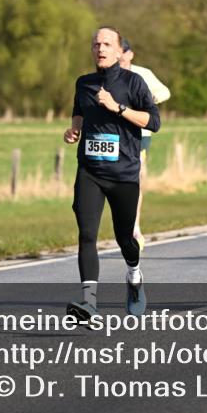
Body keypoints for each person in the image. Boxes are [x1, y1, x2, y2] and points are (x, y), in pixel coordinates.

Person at [64, 27, 160, 320]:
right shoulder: (84, 83)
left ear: (120, 51)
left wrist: (118, 108)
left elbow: (153, 122)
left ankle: (134, 274)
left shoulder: (134, 82)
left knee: (125, 238)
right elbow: (79, 110)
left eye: (107, 44)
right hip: (90, 171)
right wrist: (74, 129)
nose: (100, 49)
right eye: (96, 44)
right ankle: (89, 303)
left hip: (124, 173)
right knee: (87, 234)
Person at [119, 38, 171, 252]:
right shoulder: (107, 74)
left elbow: (165, 92)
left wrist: (150, 98)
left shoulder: (143, 74)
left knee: (137, 177)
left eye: (123, 51)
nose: (120, 56)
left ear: (130, 54)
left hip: (140, 132)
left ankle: (134, 228)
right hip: (114, 133)